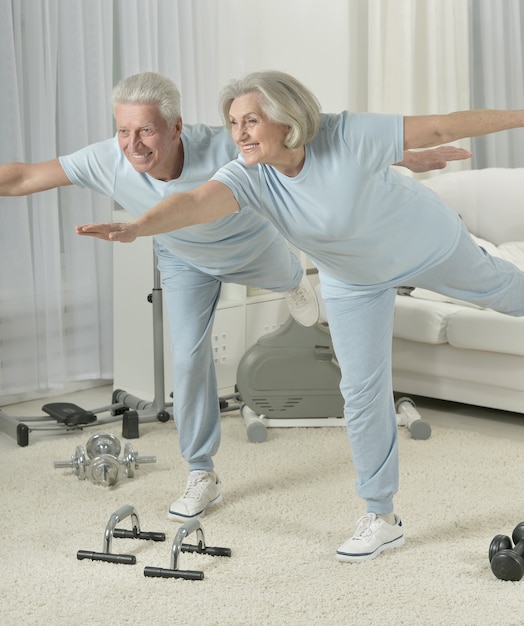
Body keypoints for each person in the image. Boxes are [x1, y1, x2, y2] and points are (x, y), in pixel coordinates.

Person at [76, 69, 524, 563]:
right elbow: (195, 203)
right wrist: (139, 226)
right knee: (359, 389)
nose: (239, 133)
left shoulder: (345, 134)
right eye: (232, 122)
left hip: (426, 245)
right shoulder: (247, 174)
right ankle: (381, 517)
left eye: (251, 120)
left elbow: (441, 127)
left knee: (506, 292)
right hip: (352, 278)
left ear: (286, 119)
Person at [1, 71, 469, 525]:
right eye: (124, 130)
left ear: (177, 127)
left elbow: (312, 144)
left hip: (253, 248)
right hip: (184, 260)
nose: (134, 143)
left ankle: (290, 281)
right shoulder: (104, 159)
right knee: (186, 356)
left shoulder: (227, 141)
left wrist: (396, 154)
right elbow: (21, 177)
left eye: (146, 129)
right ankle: (201, 471)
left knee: (284, 270)